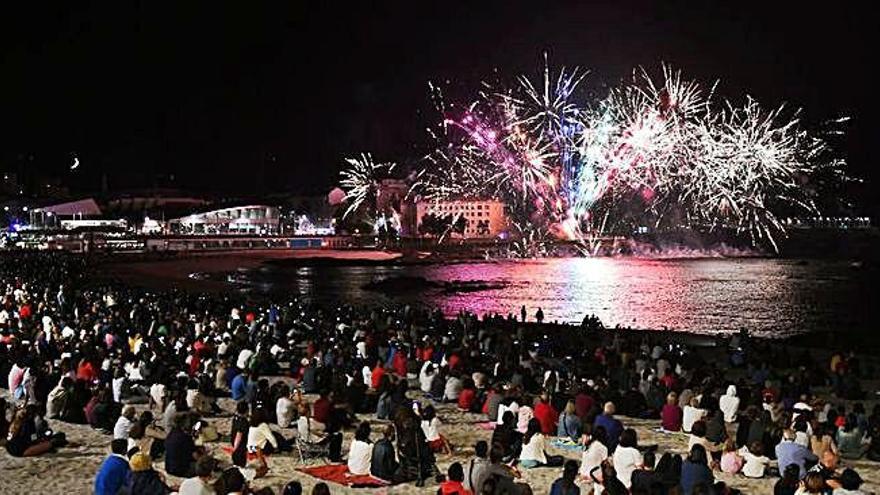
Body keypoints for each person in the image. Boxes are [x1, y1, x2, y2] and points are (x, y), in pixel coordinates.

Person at [230, 400, 250, 468]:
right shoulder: (243, 422)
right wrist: (235, 448)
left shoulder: (235, 418)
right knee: (240, 458)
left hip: (234, 440)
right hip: (240, 444)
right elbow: (239, 435)